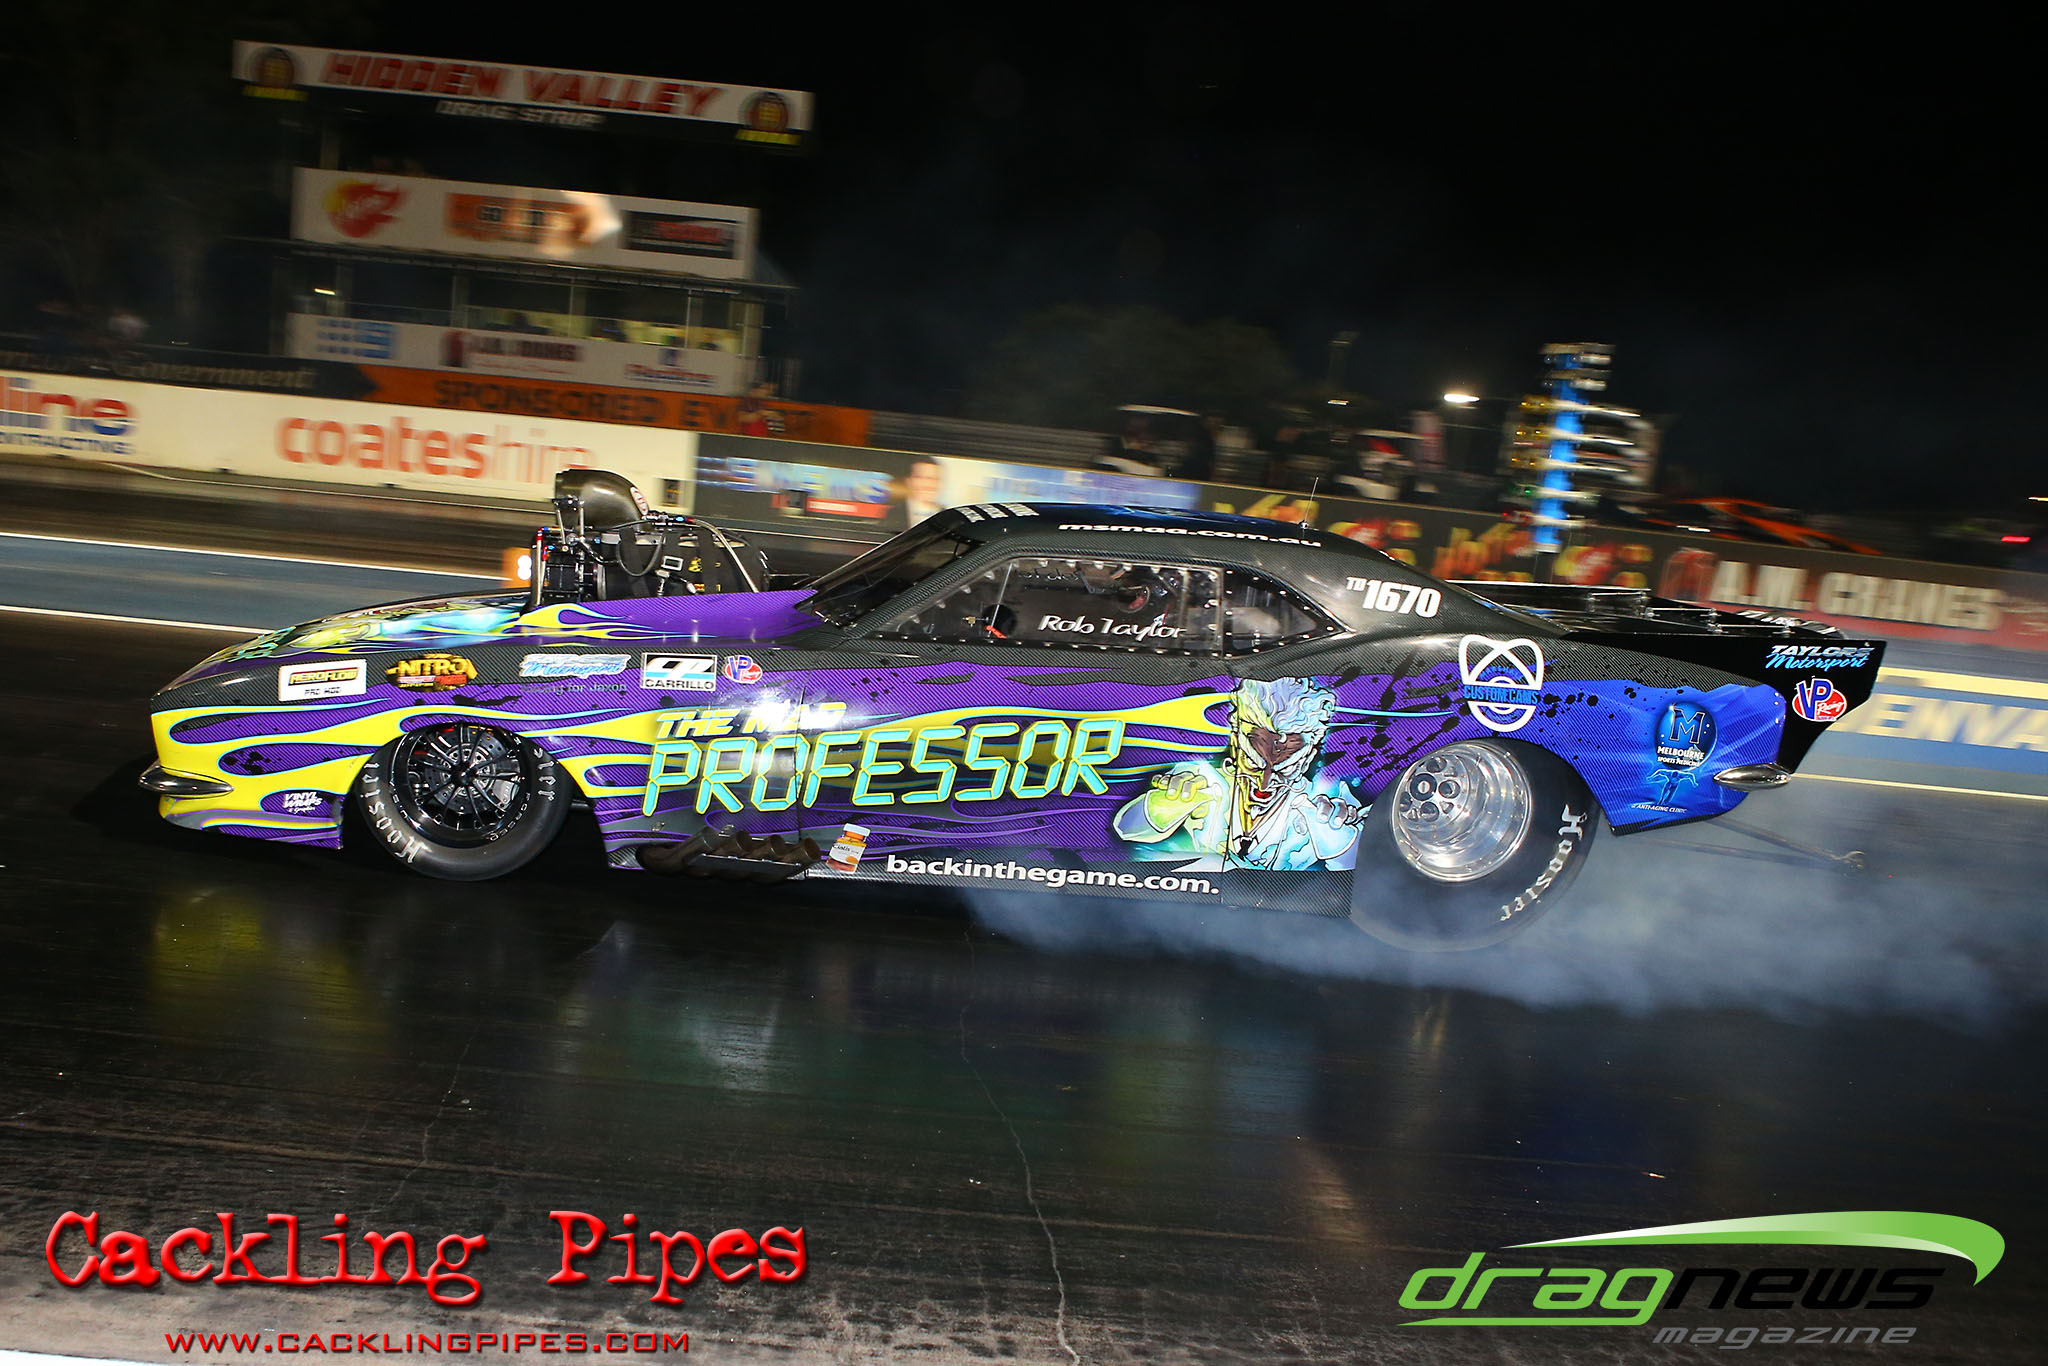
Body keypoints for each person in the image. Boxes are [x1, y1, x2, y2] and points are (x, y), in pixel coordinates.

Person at [882, 458, 944, 530]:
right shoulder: (893, 514)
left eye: (934, 478)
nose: (927, 484)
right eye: (920, 477)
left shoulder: (948, 516)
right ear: (908, 481)